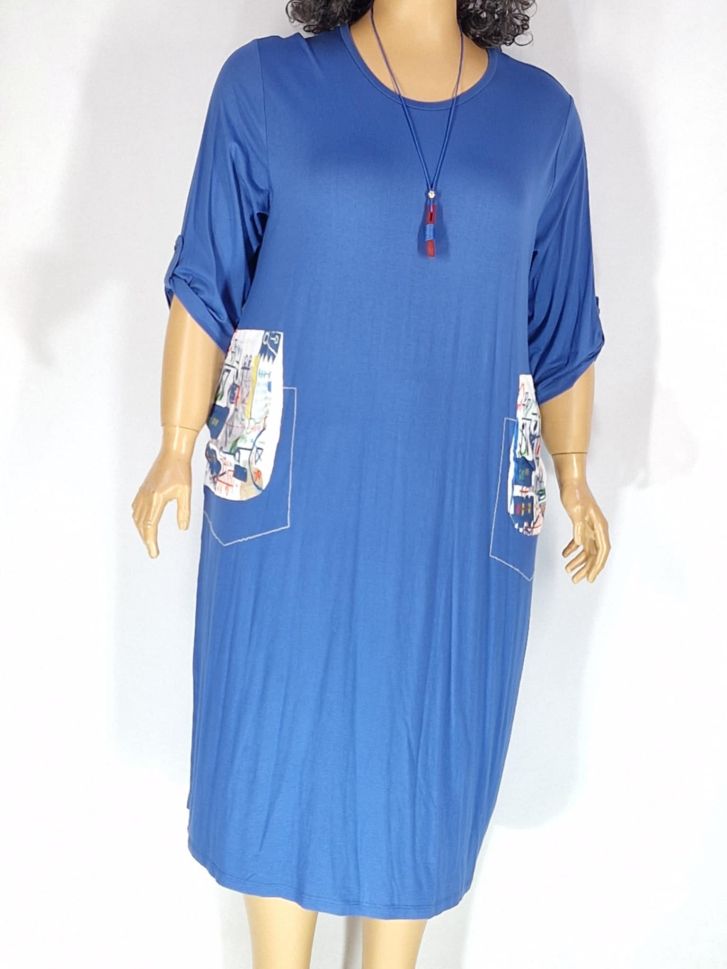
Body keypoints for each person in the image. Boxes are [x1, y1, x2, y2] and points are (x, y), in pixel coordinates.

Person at [132, 1, 611, 966]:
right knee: (278, 743)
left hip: (455, 509)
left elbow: (560, 326)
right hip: (291, 506)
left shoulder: (543, 121)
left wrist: (574, 475)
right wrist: (175, 442)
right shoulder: (267, 85)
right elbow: (206, 280)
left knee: (421, 759)